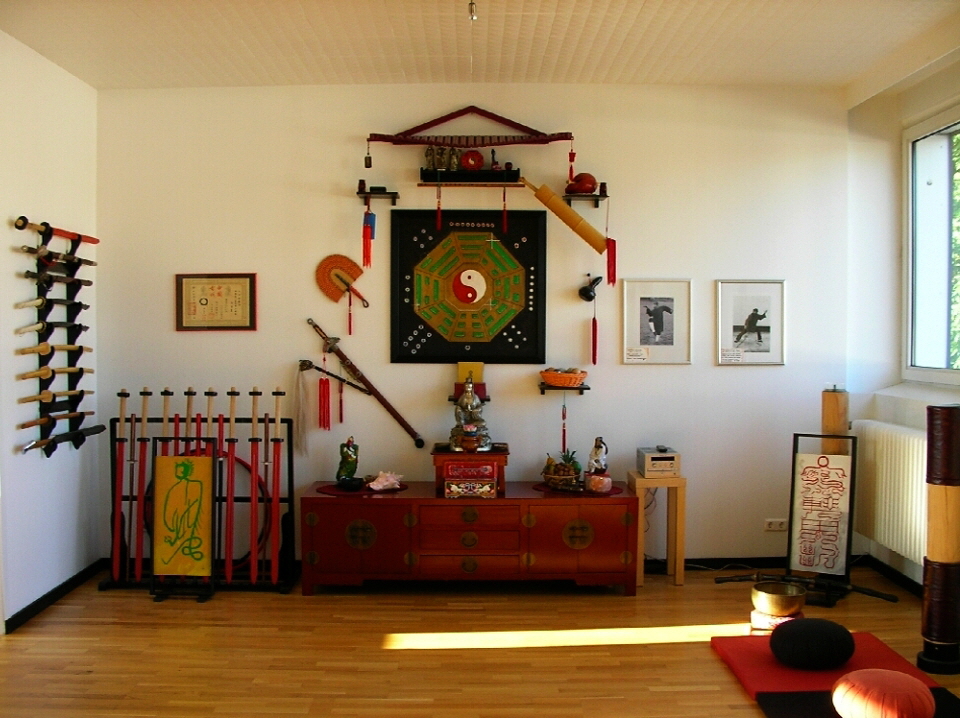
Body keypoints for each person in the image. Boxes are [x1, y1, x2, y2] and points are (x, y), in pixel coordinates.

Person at [449, 373, 492, 451]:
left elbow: (479, 407)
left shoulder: (475, 397)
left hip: (474, 417)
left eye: (469, 387)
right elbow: (459, 406)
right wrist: (463, 410)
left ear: (472, 388)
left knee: (482, 423)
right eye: (467, 387)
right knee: (458, 412)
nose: (468, 388)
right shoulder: (463, 397)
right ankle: (464, 427)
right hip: (464, 417)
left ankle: (470, 429)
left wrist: (475, 410)